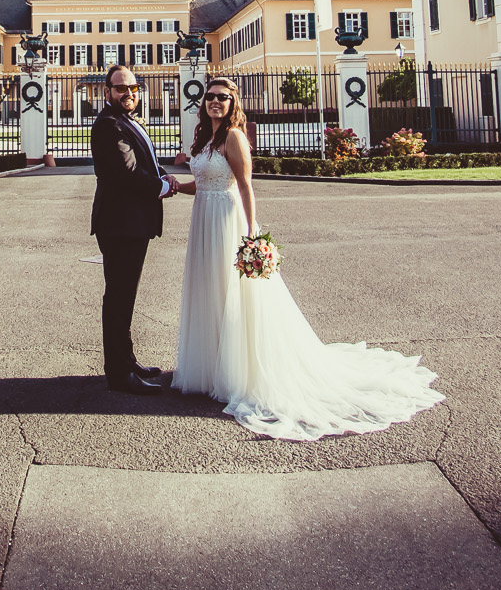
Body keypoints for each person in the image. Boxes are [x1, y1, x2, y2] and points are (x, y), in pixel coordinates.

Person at [172, 77, 444, 440]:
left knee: (233, 294)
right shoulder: (204, 138)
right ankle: (210, 367)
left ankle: (237, 372)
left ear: (233, 102)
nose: (215, 102)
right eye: (210, 97)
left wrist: (251, 235)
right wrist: (176, 185)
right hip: (203, 218)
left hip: (225, 221)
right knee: (210, 290)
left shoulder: (234, 137)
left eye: (223, 97)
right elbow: (204, 183)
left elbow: (244, 185)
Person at [89, 63, 184, 395]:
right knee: (118, 297)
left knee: (125, 296)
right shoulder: (108, 125)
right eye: (120, 88)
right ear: (107, 92)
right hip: (120, 223)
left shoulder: (126, 120)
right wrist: (162, 186)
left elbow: (145, 159)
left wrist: (162, 174)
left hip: (131, 222)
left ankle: (127, 360)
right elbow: (126, 172)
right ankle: (118, 373)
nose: (128, 93)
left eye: (133, 88)